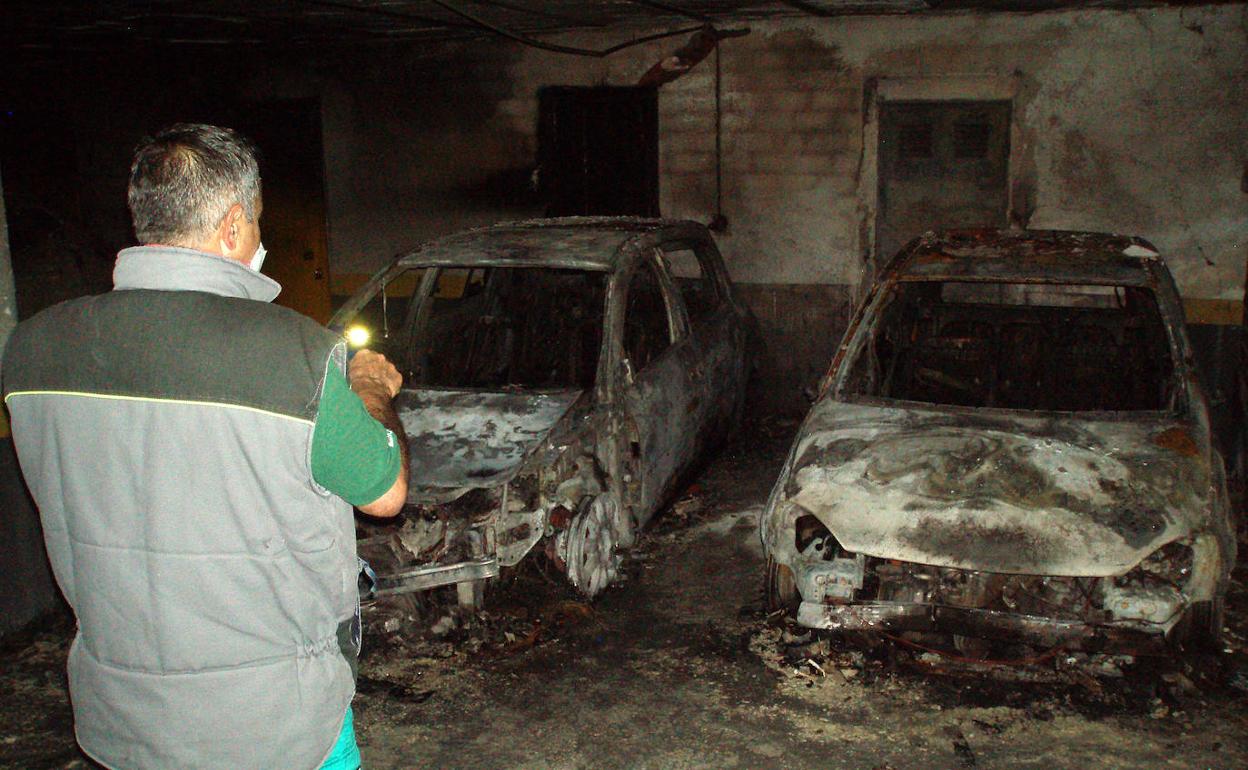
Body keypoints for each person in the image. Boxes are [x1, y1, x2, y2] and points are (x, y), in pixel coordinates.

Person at [2, 123, 408, 769]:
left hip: (120, 708)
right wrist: (370, 390)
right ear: (235, 223)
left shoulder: (34, 347)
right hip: (274, 721)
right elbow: (384, 493)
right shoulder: (295, 352)